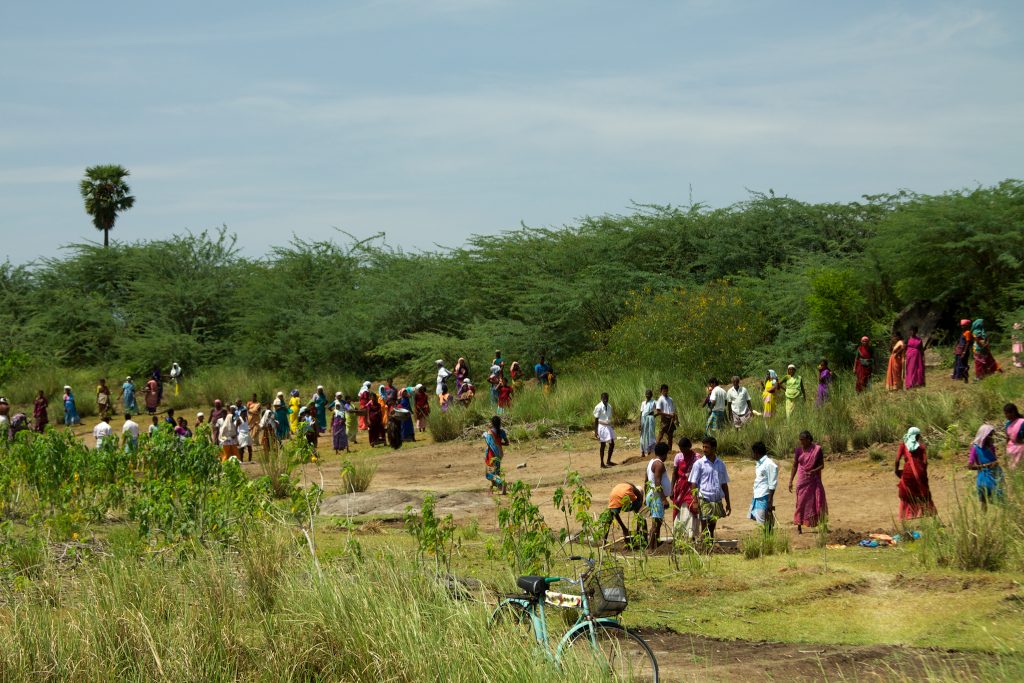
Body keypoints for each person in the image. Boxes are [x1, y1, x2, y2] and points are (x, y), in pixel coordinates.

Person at [688, 437, 731, 541]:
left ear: (714, 448)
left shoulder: (721, 464)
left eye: (707, 447)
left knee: (712, 526)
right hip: (704, 498)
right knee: (704, 525)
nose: (704, 449)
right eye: (703, 446)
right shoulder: (699, 464)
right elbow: (693, 483)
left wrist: (728, 502)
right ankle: (705, 547)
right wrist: (694, 500)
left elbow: (724, 484)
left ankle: (709, 545)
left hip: (716, 499)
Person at [788, 430, 828, 533]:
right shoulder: (798, 451)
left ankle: (821, 524)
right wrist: (790, 480)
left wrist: (813, 471)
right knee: (801, 502)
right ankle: (799, 525)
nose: (801, 442)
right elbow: (795, 465)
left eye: (803, 440)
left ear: (809, 439)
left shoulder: (817, 450)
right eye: (800, 440)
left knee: (817, 500)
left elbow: (821, 465)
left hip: (814, 479)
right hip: (802, 480)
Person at [894, 427, 936, 520]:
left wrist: (896, 471)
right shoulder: (922, 447)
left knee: (905, 493)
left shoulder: (903, 446)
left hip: (907, 474)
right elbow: (925, 463)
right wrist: (922, 474)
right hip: (920, 474)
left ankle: (908, 515)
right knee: (923, 493)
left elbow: (897, 460)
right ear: (917, 436)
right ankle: (923, 513)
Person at [671, 437, 700, 542]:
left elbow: (698, 474)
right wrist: (671, 489)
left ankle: (690, 535)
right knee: (679, 510)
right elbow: (674, 473)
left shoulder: (696, 457)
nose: (682, 450)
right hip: (680, 488)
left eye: (684, 448)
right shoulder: (678, 457)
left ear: (689, 447)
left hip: (691, 487)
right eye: (680, 448)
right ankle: (679, 534)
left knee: (691, 509)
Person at [968, 424, 1003, 508]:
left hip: (995, 476)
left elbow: (994, 460)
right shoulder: (975, 448)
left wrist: (995, 463)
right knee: (983, 501)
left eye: (992, 435)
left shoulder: (991, 447)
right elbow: (970, 466)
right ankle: (984, 519)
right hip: (983, 478)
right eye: (989, 435)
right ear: (984, 435)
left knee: (1000, 501)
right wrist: (985, 466)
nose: (991, 437)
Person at [646, 442, 672, 551]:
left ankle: (654, 546)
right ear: (665, 453)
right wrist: (663, 499)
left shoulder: (651, 462)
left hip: (652, 495)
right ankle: (651, 548)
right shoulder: (659, 464)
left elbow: (646, 480)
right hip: (657, 497)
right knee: (656, 524)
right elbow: (657, 482)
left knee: (656, 523)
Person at [749, 441, 778, 530]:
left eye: (753, 453)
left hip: (764, 496)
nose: (753, 455)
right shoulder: (759, 463)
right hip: (758, 495)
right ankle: (766, 539)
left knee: (765, 521)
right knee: (759, 519)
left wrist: (769, 501)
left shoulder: (769, 464)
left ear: (757, 452)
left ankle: (768, 540)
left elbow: (772, 484)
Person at [484, 415, 509, 495]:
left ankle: (501, 483)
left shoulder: (489, 432)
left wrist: (485, 436)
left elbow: (488, 443)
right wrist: (499, 443)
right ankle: (491, 491)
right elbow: (507, 443)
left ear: (492, 423)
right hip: (499, 454)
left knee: (489, 474)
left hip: (491, 455)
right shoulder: (502, 432)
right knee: (496, 472)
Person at [593, 392, 616, 468]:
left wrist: (611, 425)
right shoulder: (598, 407)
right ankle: (602, 463)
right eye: (604, 398)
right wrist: (596, 431)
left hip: (608, 426)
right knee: (603, 445)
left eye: (607, 398)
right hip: (601, 427)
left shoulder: (609, 406)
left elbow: (608, 418)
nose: (606, 399)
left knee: (612, 444)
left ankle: (608, 461)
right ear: (601, 398)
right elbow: (596, 419)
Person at [1005, 403, 1024, 470]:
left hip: (1021, 450)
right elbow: (1007, 437)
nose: (1006, 416)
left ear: (1013, 412)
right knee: (1012, 470)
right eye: (1005, 414)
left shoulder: (1022, 422)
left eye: (1007, 413)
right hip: (1011, 450)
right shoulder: (1007, 424)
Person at [639, 389, 657, 457]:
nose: (648, 396)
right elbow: (641, 413)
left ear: (651, 395)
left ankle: (650, 451)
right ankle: (643, 452)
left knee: (650, 435)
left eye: (649, 394)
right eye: (646, 394)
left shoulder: (654, 402)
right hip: (643, 419)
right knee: (643, 435)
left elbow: (658, 411)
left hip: (650, 419)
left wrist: (653, 416)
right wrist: (640, 423)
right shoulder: (643, 403)